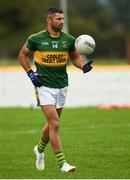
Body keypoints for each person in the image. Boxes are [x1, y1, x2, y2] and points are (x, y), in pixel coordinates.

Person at [18, 7, 93, 173]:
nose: (61, 22)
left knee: (52, 123)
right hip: (43, 85)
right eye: (58, 19)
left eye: (63, 19)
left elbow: (75, 58)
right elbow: (22, 55)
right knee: (55, 123)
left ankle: (39, 149)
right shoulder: (35, 39)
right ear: (49, 20)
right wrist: (31, 74)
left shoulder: (69, 40)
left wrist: (83, 66)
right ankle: (63, 164)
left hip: (62, 85)